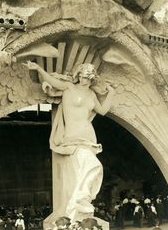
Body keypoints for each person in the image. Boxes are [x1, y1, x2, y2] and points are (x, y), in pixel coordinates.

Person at [25, 62, 116, 221]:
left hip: (88, 136)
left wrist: (112, 93)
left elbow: (102, 111)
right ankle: (80, 199)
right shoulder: (69, 87)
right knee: (92, 166)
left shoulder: (91, 94)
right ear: (78, 75)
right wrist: (39, 69)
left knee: (88, 168)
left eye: (89, 77)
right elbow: (53, 83)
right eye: (83, 76)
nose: (85, 79)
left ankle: (81, 200)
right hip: (72, 137)